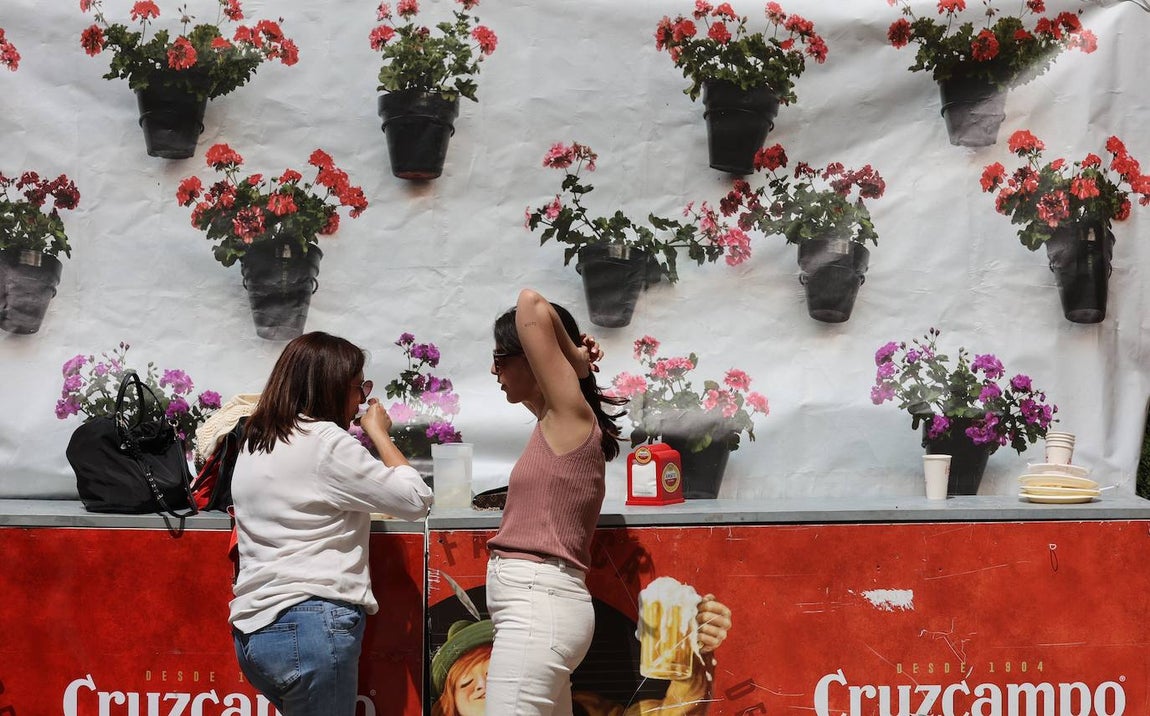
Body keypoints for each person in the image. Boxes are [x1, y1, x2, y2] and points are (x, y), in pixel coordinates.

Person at [228, 331, 434, 715]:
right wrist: (378, 433)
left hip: (254, 633)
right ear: (332, 387)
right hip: (311, 627)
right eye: (359, 387)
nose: (360, 399)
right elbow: (416, 499)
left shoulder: (256, 439)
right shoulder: (326, 442)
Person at [483, 287, 626, 714]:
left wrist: (574, 356)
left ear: (533, 353)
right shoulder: (555, 421)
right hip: (538, 607)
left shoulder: (570, 417)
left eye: (501, 358)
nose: (494, 370)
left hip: (537, 607)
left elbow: (531, 302)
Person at [430, 596, 734, 716]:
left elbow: (671, 713)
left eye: (493, 672)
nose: (483, 686)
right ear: (450, 704)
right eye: (467, 684)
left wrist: (696, 648)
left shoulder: (582, 710)